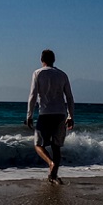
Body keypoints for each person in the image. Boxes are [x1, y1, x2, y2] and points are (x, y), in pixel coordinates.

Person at [25, 48, 74, 183]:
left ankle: (51, 164)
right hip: (60, 114)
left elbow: (33, 96)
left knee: (38, 144)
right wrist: (71, 116)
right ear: (54, 60)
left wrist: (29, 115)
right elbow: (69, 97)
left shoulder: (37, 73)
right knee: (56, 146)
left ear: (42, 60)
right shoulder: (62, 74)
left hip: (45, 113)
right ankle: (53, 175)